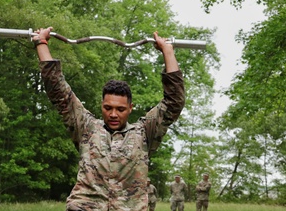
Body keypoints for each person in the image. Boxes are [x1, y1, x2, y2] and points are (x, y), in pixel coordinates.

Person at [33, 26, 185, 211]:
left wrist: (167, 51)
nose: (113, 114)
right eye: (108, 108)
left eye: (120, 109)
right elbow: (59, 91)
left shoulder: (144, 132)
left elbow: (174, 102)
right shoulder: (87, 127)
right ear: (101, 106)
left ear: (130, 108)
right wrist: (41, 43)